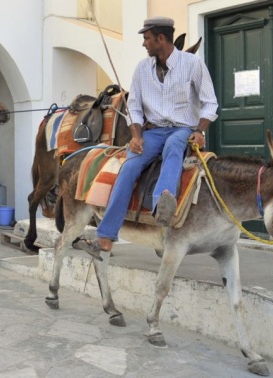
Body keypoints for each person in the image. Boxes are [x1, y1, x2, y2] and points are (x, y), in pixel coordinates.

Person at [79, 16, 218, 255]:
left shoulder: (192, 64)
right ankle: (105, 236)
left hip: (182, 129)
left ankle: (162, 204)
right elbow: (133, 107)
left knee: (174, 146)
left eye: (147, 38)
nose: (144, 44)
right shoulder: (142, 69)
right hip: (152, 131)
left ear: (160, 39)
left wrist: (199, 131)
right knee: (130, 164)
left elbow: (210, 103)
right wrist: (135, 135)